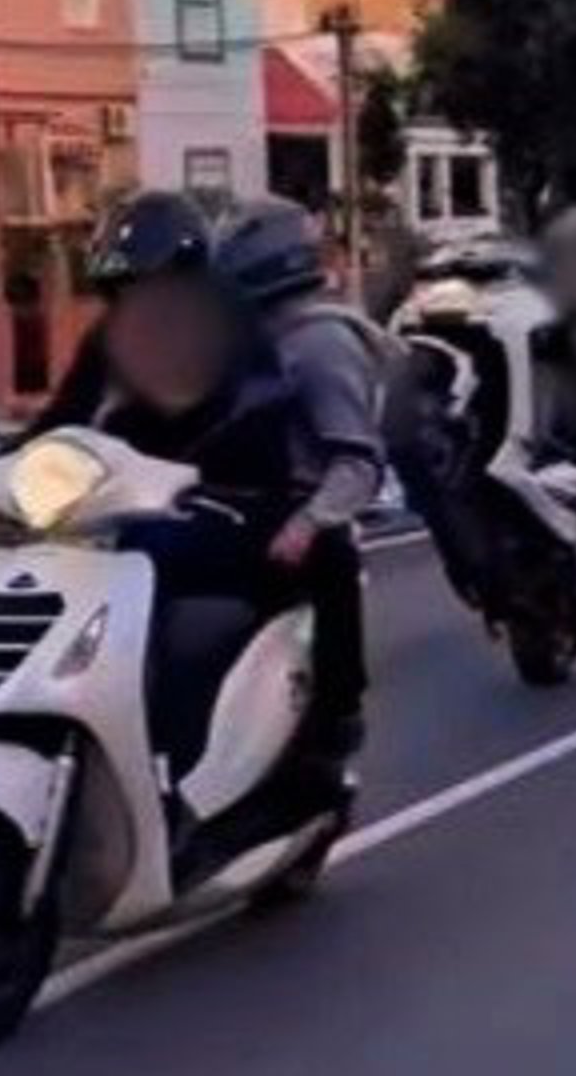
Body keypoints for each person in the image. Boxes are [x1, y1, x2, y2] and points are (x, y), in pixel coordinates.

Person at [23, 191, 341, 780]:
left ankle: (189, 747)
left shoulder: (234, 331)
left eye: (148, 285)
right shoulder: (109, 339)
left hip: (233, 507)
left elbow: (257, 411)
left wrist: (201, 468)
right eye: (123, 290)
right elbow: (63, 415)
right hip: (143, 509)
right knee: (62, 577)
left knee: (163, 588)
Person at [214, 196, 401, 766]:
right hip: (230, 504)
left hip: (295, 509)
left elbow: (357, 461)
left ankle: (335, 715)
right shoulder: (241, 341)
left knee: (329, 562)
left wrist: (309, 523)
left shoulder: (320, 343)